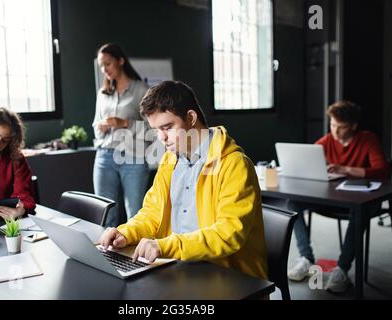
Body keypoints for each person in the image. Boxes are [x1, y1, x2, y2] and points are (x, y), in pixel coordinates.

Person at [99, 81, 268, 280]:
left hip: (230, 277)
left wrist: (166, 246)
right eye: (156, 130)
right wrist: (126, 233)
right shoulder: (169, 161)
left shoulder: (234, 164)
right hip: (179, 268)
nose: (161, 138)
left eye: (168, 127)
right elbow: (153, 213)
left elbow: (228, 233)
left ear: (191, 117)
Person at [287, 100, 390, 293]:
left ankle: (342, 270)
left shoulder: (368, 139)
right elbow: (308, 158)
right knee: (293, 202)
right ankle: (306, 258)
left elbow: (382, 171)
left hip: (362, 201)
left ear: (353, 126)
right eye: (332, 125)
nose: (335, 132)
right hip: (333, 200)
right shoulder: (327, 140)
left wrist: (346, 169)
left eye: (341, 127)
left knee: (360, 212)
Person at [92, 43, 150, 227]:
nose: (104, 69)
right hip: (104, 156)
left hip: (134, 157)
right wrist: (101, 127)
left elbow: (152, 129)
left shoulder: (142, 90)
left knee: (135, 213)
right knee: (104, 213)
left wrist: (125, 123)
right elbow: (95, 124)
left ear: (121, 61)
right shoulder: (103, 94)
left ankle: (135, 255)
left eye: (107, 64)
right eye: (101, 65)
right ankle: (106, 255)